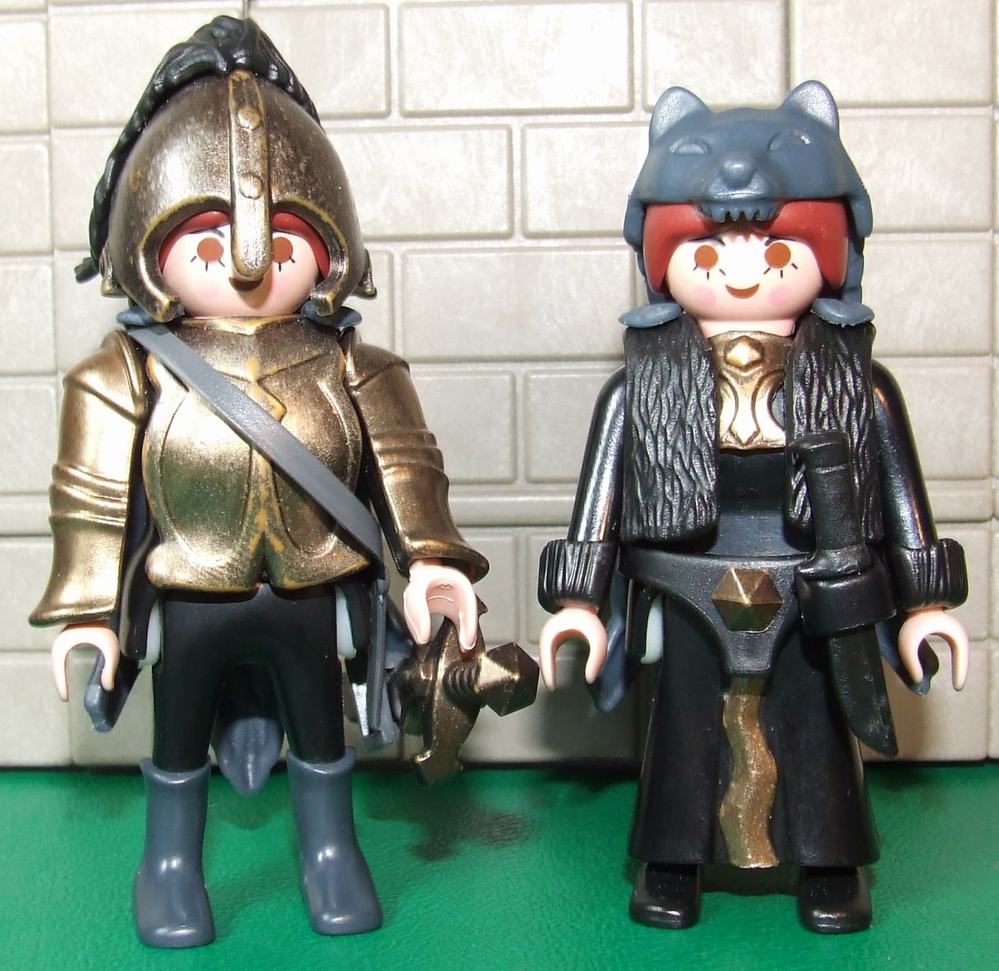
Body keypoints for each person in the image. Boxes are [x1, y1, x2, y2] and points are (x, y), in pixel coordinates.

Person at [30, 17, 486, 948]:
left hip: (312, 588)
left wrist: (433, 562)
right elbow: (93, 496)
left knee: (322, 729)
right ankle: (169, 865)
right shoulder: (124, 373)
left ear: (329, 247)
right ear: (148, 247)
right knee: (177, 731)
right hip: (189, 589)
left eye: (283, 247)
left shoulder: (355, 362)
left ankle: (331, 852)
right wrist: (88, 609)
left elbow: (405, 464)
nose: (247, 268)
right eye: (206, 246)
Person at [538, 82, 969, 934]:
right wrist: (579, 601)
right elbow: (600, 501)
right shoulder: (640, 390)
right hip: (685, 583)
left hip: (817, 583)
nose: (741, 273)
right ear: (661, 259)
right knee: (683, 727)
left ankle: (829, 863)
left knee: (818, 722)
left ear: (829, 254)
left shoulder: (856, 388)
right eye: (707, 253)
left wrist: (924, 603)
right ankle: (672, 858)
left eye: (774, 252)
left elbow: (900, 498)